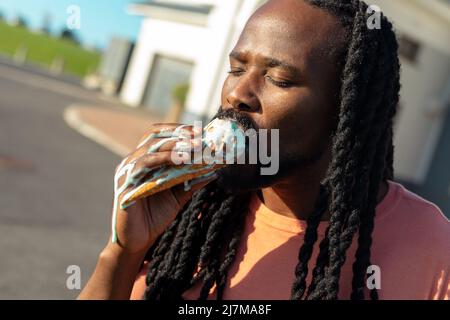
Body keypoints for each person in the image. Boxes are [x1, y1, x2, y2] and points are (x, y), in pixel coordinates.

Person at [78, 0, 450, 300]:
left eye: (279, 79)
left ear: (347, 111)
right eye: (237, 69)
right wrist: (122, 254)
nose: (237, 94)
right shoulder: (187, 208)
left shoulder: (434, 252)